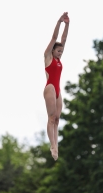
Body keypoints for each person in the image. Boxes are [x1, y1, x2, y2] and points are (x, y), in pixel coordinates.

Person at [43, 12, 69, 161]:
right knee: (51, 117)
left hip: (58, 90)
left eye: (61, 51)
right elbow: (55, 38)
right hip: (50, 88)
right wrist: (59, 22)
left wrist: (68, 24)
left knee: (57, 119)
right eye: (58, 51)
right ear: (52, 50)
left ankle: (56, 145)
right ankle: (52, 145)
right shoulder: (48, 57)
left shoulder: (59, 59)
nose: (60, 53)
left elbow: (63, 39)